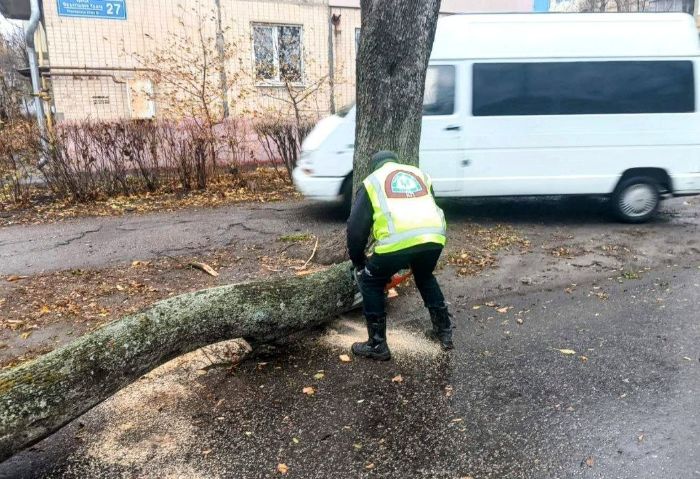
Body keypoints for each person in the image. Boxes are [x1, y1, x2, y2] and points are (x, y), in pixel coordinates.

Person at [346, 150, 453, 361]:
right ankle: (444, 334)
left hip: (398, 240)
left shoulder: (372, 181)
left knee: (371, 281)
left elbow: (356, 229)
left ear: (375, 166)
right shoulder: (419, 174)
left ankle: (377, 344)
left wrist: (359, 260)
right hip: (433, 236)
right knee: (425, 276)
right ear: (396, 162)